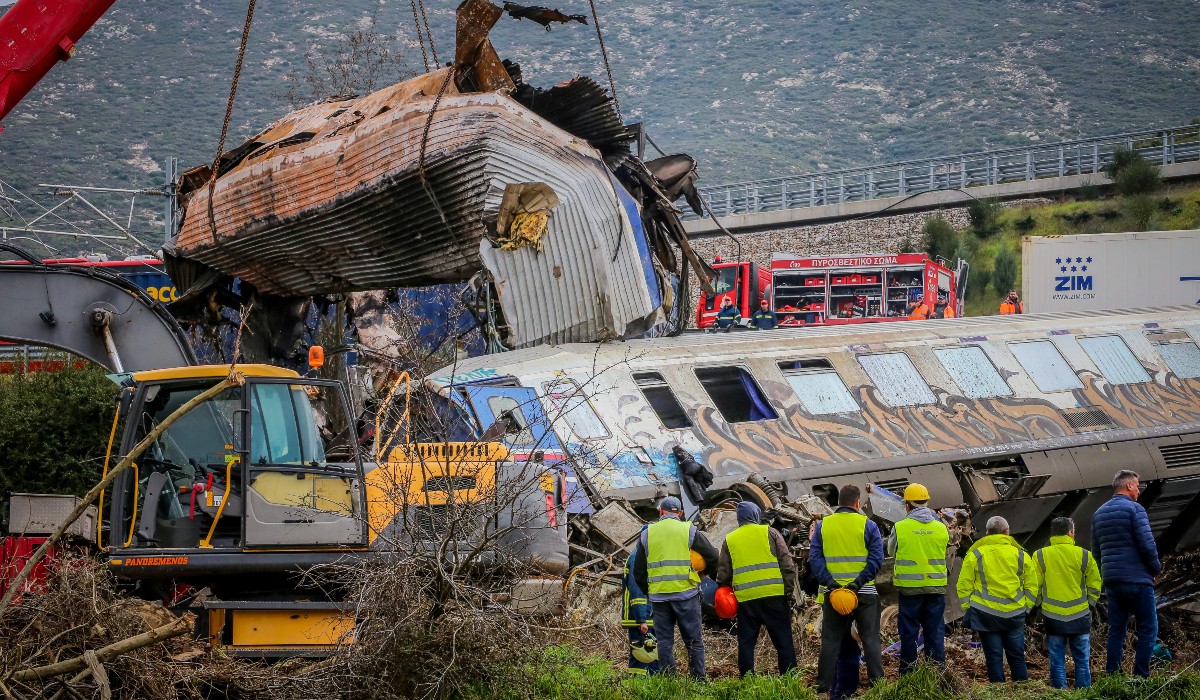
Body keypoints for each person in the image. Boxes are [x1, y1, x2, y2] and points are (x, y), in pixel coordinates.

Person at [810, 484, 885, 695]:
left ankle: (823, 686)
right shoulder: (868, 525)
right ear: (857, 503)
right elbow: (876, 559)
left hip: (833, 594)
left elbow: (815, 558)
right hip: (863, 593)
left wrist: (831, 583)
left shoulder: (824, 525)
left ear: (838, 503)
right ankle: (877, 685)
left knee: (830, 641)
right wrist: (858, 582)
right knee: (870, 639)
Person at [632, 496, 719, 678]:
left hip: (659, 598)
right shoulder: (689, 530)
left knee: (664, 642)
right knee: (694, 641)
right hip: (687, 594)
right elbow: (712, 556)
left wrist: (651, 591)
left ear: (661, 512)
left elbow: (638, 571)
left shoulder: (648, 533)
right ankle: (698, 680)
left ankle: (669, 680)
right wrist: (704, 576)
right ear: (679, 513)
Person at [1092, 469, 1161, 678]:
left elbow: (1096, 551)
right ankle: (1140, 677)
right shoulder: (1135, 510)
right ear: (1129, 485)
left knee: (1116, 629)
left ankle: (1113, 676)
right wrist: (1155, 569)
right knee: (1148, 627)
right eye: (1137, 486)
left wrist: (1108, 573)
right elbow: (1147, 545)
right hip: (1138, 579)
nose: (1138, 490)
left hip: (1113, 581)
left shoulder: (1099, 513)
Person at [715, 501, 796, 676]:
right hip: (774, 597)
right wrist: (788, 594)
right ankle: (790, 679)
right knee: (784, 643)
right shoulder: (771, 533)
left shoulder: (730, 539)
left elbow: (723, 575)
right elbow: (787, 565)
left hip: (746, 600)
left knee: (746, 644)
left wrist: (727, 595)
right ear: (756, 515)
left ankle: (747, 680)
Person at [956, 516, 1039, 683]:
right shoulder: (1021, 555)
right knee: (1016, 655)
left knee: (993, 657)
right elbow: (1032, 586)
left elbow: (963, 585)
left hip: (985, 614)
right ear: (1007, 532)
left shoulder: (975, 554)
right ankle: (1021, 689)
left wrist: (969, 608)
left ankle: (997, 690)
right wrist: (1026, 607)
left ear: (987, 533)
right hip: (1014, 613)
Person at [886, 483, 948, 675]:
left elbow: (890, 551)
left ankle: (908, 675)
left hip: (909, 589)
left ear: (907, 505)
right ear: (927, 502)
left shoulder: (901, 527)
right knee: (935, 633)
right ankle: (937, 675)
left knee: (909, 634)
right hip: (935, 588)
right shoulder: (941, 528)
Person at [1035, 517, 1100, 689]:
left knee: (1056, 660)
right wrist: (1090, 605)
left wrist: (1040, 604)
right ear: (1071, 533)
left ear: (1052, 534)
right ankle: (1084, 694)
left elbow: (1034, 585)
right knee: (1082, 661)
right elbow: (1095, 585)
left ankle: (1060, 694)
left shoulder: (1040, 555)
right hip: (1080, 615)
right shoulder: (1084, 555)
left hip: (1052, 615)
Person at [622, 541, 659, 675]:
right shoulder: (638, 558)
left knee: (651, 655)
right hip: (641, 618)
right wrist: (641, 619)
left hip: (646, 616)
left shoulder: (642, 555)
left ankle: (653, 685)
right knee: (641, 655)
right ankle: (638, 685)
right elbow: (637, 591)